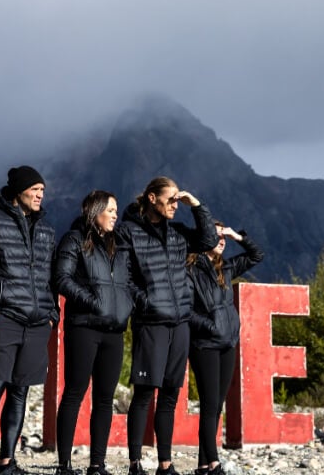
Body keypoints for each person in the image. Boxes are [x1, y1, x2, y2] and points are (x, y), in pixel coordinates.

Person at [119, 177, 218, 475]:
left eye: (178, 200)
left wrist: (196, 206)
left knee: (171, 395)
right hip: (152, 323)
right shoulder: (129, 231)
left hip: (180, 323)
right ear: (152, 198)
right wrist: (145, 302)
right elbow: (124, 277)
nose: (176, 204)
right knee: (145, 392)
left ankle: (165, 464)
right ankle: (135, 464)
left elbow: (209, 241)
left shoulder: (177, 233)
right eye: (171, 199)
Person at [0, 167, 59, 475]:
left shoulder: (46, 230)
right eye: (34, 189)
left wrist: (51, 315)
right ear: (17, 191)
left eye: (42, 191)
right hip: (4, 319)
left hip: (36, 323)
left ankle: (7, 462)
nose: (39, 195)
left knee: (20, 391)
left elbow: (50, 277)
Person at [51, 190, 134, 475]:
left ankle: (97, 465)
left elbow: (129, 282)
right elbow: (61, 278)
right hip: (84, 327)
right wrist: (92, 301)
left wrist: (126, 305)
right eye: (110, 209)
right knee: (74, 392)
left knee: (104, 398)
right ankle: (64, 465)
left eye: (116, 210)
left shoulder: (119, 245)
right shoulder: (74, 240)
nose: (115, 215)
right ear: (95, 211)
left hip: (114, 330)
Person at [186, 223, 263, 475]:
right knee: (209, 405)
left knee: (216, 406)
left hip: (228, 343)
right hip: (204, 344)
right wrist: (210, 326)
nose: (222, 240)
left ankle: (202, 464)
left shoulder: (226, 267)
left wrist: (237, 236)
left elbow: (256, 255)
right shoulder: (190, 269)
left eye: (223, 237)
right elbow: (185, 310)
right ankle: (214, 463)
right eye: (217, 236)